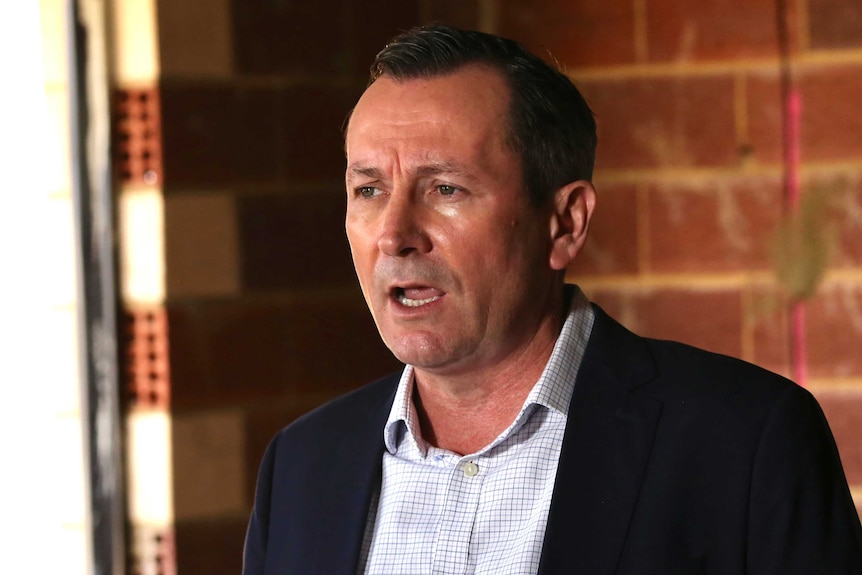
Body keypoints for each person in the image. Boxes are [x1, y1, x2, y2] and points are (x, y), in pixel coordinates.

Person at [243, 24, 862, 574]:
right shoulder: (300, 467)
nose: (395, 235)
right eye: (369, 189)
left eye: (446, 188)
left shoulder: (744, 442)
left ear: (565, 223)